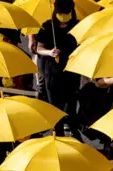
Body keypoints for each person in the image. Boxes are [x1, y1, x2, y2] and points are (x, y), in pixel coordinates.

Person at [35, 0, 82, 138]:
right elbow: (39, 48)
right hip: (52, 74)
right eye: (60, 13)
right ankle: (58, 135)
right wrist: (50, 52)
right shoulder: (46, 27)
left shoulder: (78, 27)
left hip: (71, 75)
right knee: (55, 109)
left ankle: (73, 133)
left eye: (66, 13)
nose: (63, 16)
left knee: (69, 108)